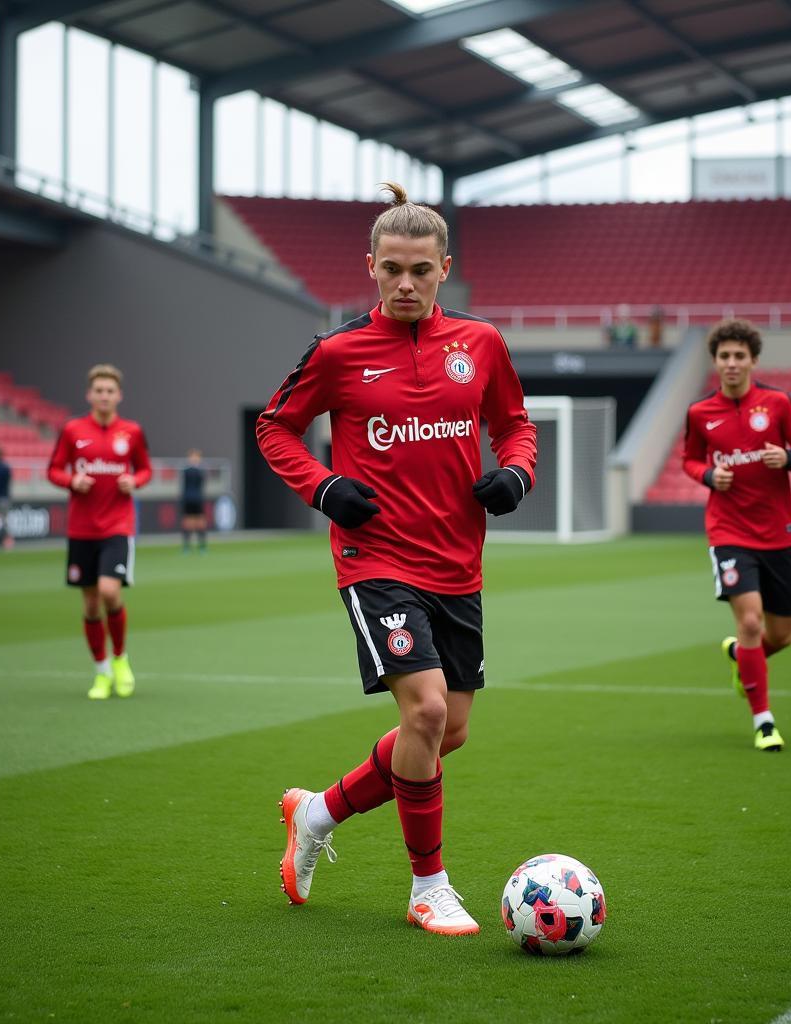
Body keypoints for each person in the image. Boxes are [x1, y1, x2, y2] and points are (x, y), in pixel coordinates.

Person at [257, 182, 537, 935]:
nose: (405, 283)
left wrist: (515, 473)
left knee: (446, 734)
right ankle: (427, 888)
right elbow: (276, 429)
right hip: (374, 558)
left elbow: (514, 425)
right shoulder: (340, 351)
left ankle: (317, 812)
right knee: (427, 709)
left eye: (420, 269)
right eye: (391, 269)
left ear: (445, 267)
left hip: (458, 565)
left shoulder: (480, 344)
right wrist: (324, 490)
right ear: (371, 267)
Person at [682, 319, 791, 752]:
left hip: (778, 532)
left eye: (740, 356)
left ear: (753, 360)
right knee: (752, 622)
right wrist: (706, 473)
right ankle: (764, 723)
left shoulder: (777, 403)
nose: (732, 363)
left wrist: (790, 456)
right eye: (725, 356)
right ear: (716, 362)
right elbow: (688, 458)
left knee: (782, 636)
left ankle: (743, 658)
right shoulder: (700, 413)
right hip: (729, 531)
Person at [47, 364, 151, 700]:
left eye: (110, 391)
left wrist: (133, 481)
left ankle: (120, 659)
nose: (104, 396)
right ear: (89, 395)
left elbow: (145, 469)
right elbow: (53, 469)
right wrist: (71, 481)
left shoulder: (132, 431)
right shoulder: (73, 430)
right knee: (91, 605)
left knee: (109, 592)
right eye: (99, 390)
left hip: (117, 526)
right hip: (81, 528)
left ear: (119, 395)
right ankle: (101, 670)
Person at [180, 448, 208, 553]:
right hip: (188, 500)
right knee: (188, 522)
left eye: (196, 457)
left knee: (200, 522)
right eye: (192, 457)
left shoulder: (200, 471)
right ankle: (186, 546)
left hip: (198, 499)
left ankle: (202, 546)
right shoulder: (186, 471)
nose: (194, 459)